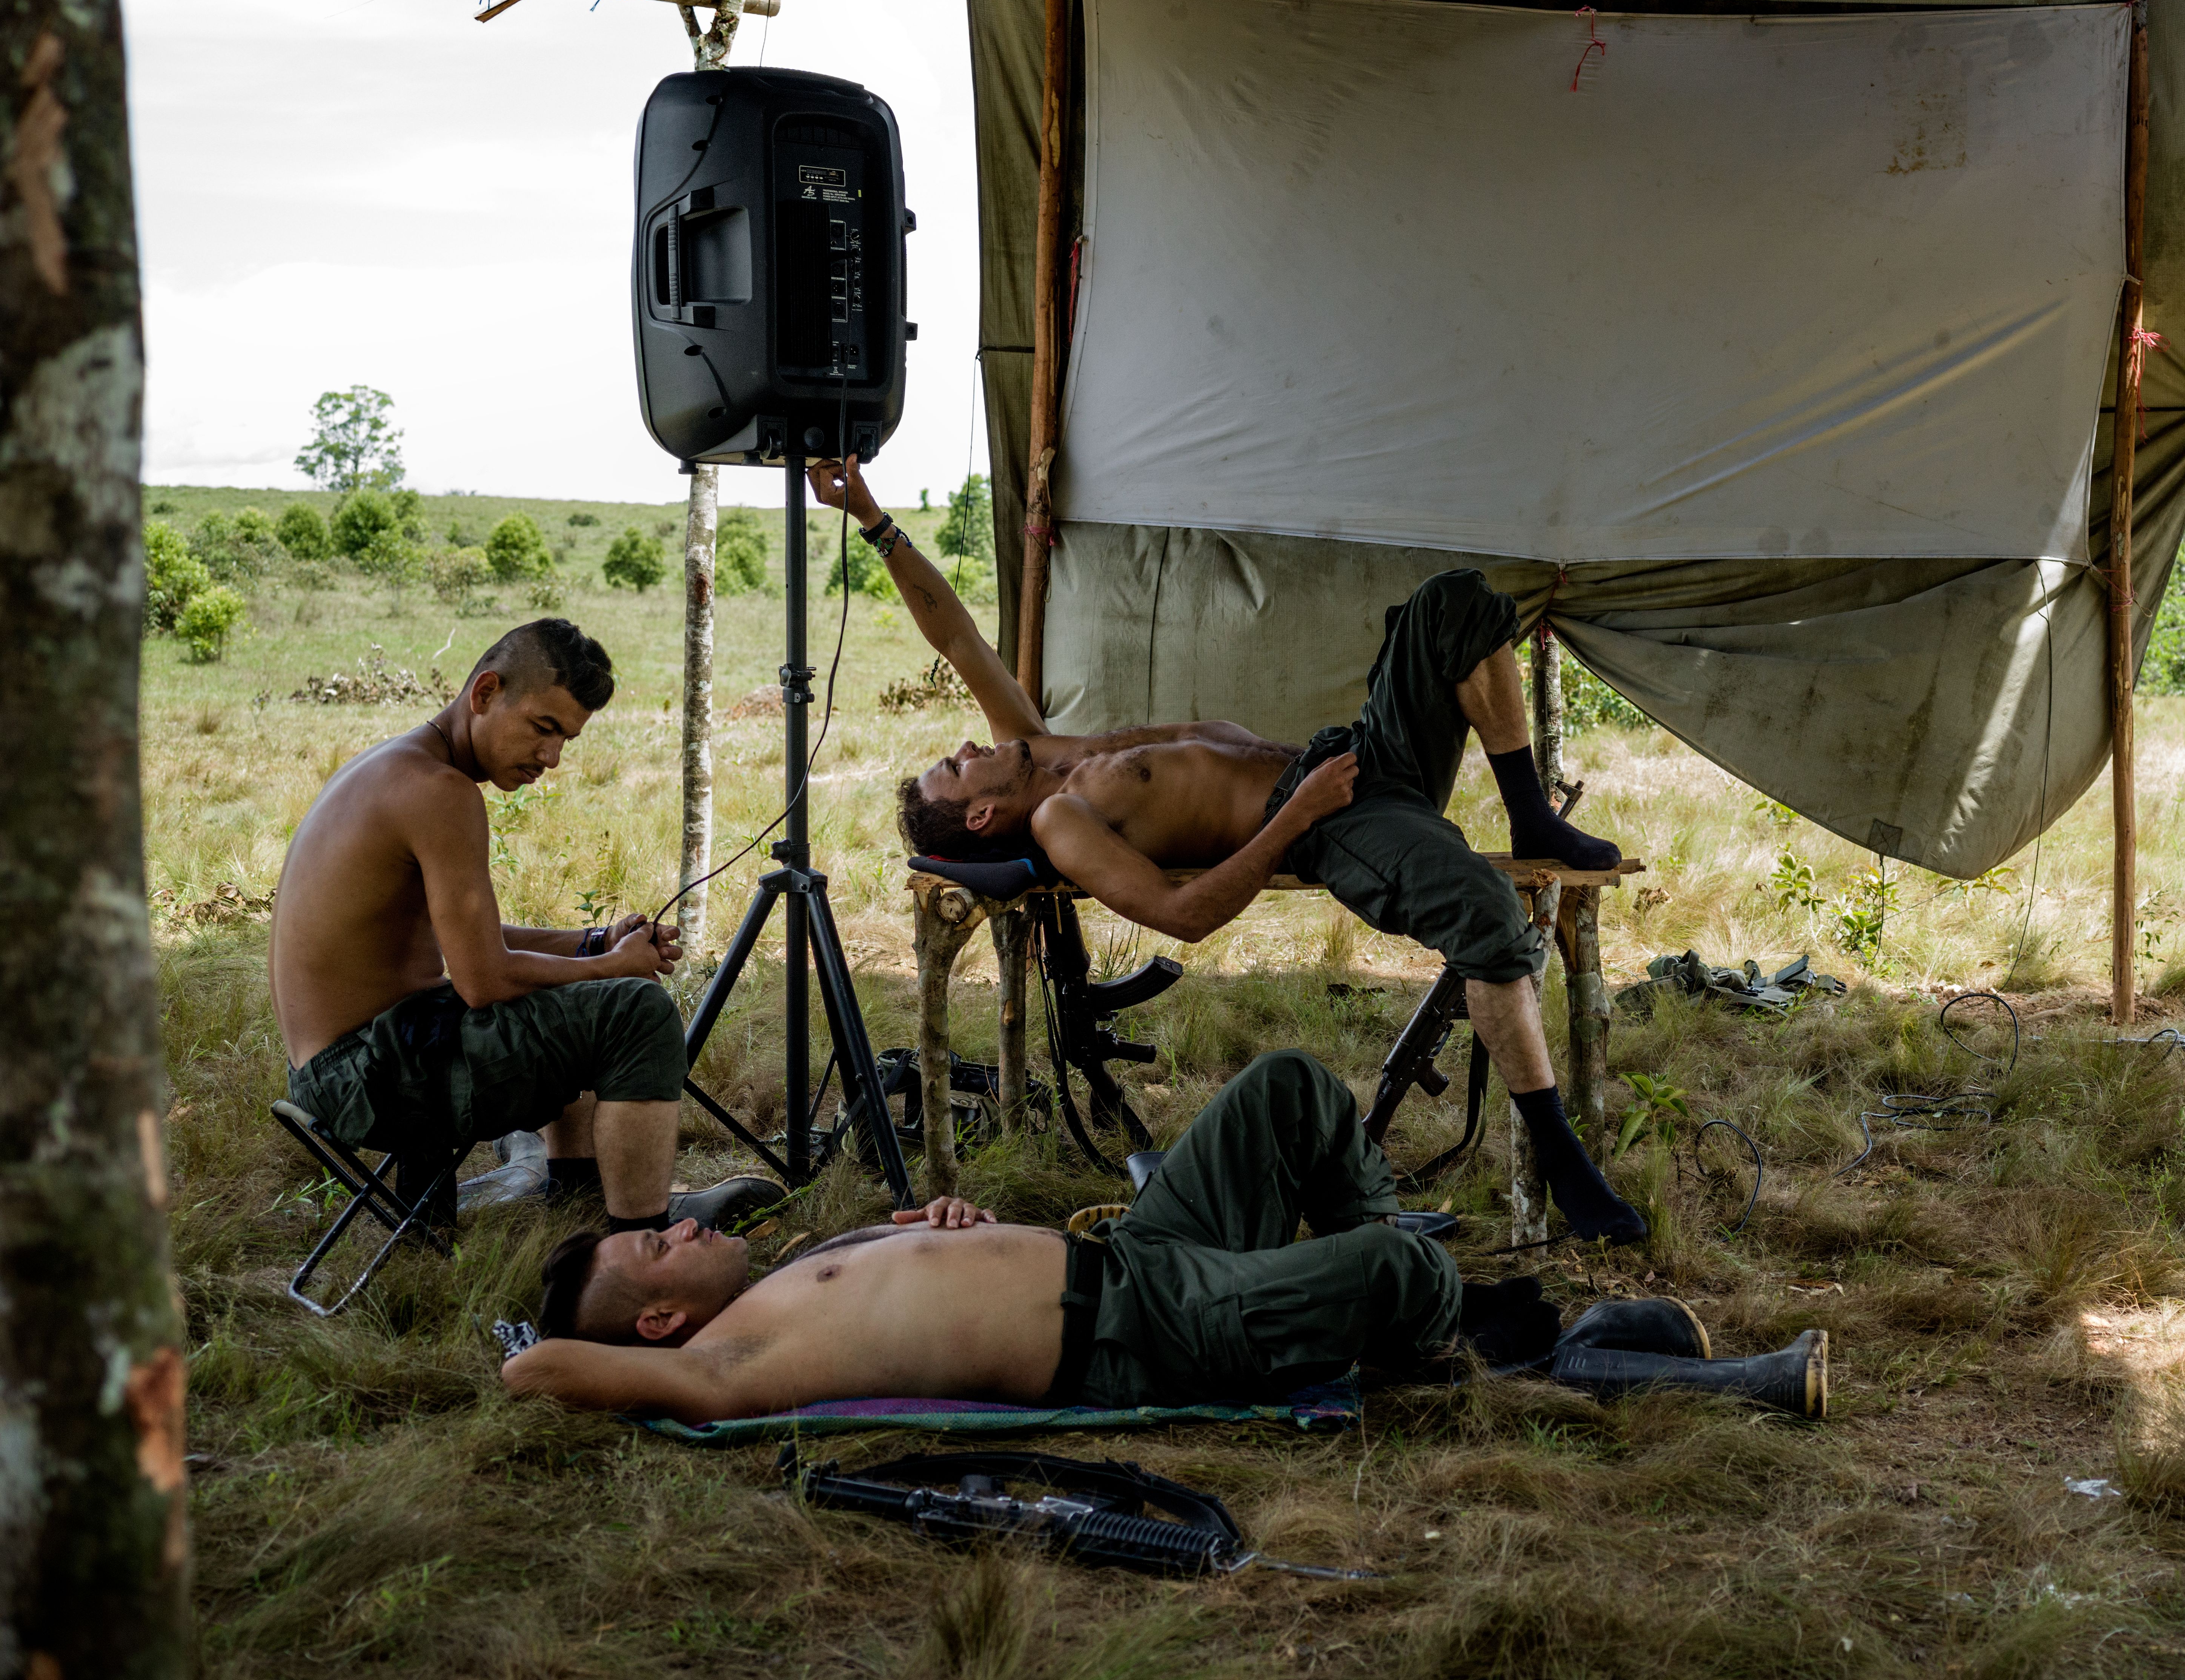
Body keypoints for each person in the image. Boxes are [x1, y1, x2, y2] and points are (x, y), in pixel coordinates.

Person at [807, 459, 1644, 1243]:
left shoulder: (1036, 742)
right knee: (1484, 915)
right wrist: (1297, 817)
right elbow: (1185, 915)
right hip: (1324, 817)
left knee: (1453, 603)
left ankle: (1532, 815)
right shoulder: (1063, 820)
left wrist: (873, 517)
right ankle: (1562, 1157)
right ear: (984, 815)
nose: (966, 744)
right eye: (958, 769)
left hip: (1348, 758)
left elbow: (954, 637)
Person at [506, 1051, 1827, 1422]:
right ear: (664, 1325)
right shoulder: (728, 1368)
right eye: (657, 1251)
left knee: (1292, 1090)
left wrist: (952, 1237)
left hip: (1144, 1252)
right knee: (1391, 1262)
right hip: (1143, 1334)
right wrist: (532, 1342)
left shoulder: (779, 1286)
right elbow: (539, 1369)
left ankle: (1415, 1316)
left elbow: (923, 1286)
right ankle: (1458, 1331)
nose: (678, 1224)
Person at [270, 616, 776, 1233]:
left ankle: (577, 1196)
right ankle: (639, 1244)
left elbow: (464, 939)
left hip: (346, 1066)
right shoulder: (441, 792)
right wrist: (613, 965)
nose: (552, 758)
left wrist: (593, 943)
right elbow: (483, 980)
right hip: (370, 1077)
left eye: (567, 739)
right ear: (485, 694)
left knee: (585, 994)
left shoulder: (394, 767)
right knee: (635, 1013)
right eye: (543, 728)